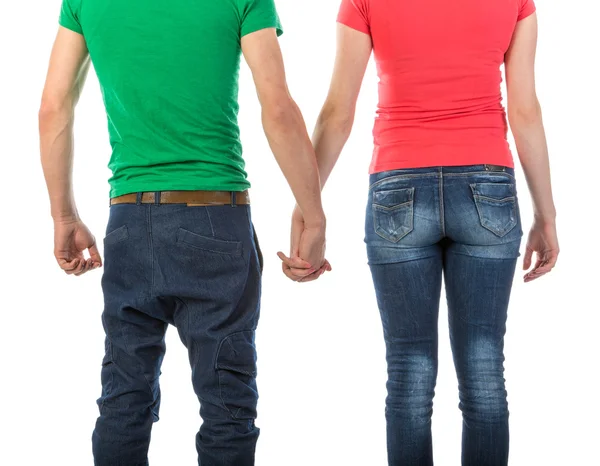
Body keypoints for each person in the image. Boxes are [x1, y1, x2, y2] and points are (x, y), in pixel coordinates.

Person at [38, 0, 329, 464]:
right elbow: (277, 107)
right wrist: (313, 217)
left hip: (130, 221)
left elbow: (54, 107)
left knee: (123, 400)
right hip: (217, 218)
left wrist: (64, 217)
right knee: (227, 409)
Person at [279, 0, 559, 465]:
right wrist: (545, 215)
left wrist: (306, 206)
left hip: (398, 187)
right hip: (487, 189)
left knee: (409, 369)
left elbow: (336, 114)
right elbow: (525, 110)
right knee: (484, 368)